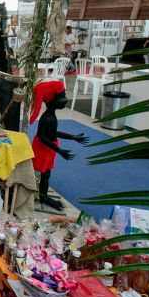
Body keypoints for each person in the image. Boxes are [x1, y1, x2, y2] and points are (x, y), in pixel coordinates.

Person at [30, 80, 89, 212]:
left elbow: (53, 133)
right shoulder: (47, 118)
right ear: (52, 100)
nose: (65, 100)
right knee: (45, 173)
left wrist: (73, 137)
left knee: (47, 174)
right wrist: (60, 150)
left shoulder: (51, 116)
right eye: (62, 97)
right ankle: (43, 196)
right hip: (44, 148)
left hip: (50, 147)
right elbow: (43, 137)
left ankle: (43, 195)